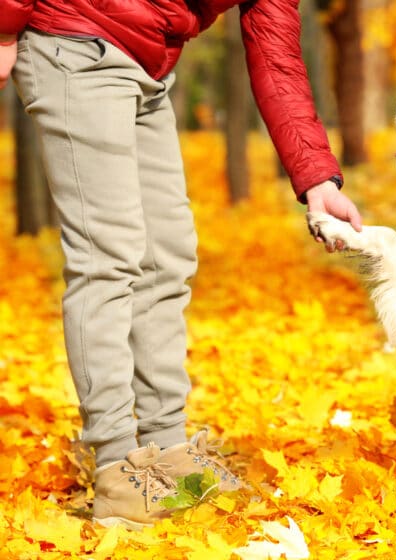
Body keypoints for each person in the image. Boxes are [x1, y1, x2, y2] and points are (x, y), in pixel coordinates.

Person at [0, 0, 362, 529]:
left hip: (148, 65)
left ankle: (166, 449)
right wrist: (6, 27)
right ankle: (116, 464)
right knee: (109, 256)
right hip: (76, 42)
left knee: (168, 257)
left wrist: (317, 180)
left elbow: (277, 59)